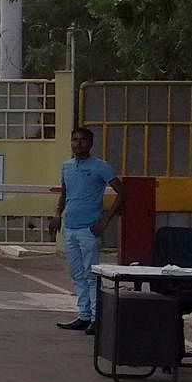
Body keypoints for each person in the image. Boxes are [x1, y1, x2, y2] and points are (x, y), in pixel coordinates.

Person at [48, 127, 125, 335]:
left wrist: (105, 221)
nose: (78, 143)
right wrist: (57, 214)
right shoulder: (66, 166)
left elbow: (122, 192)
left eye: (83, 140)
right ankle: (83, 315)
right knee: (76, 273)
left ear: (90, 143)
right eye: (74, 139)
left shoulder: (100, 166)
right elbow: (65, 192)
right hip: (70, 227)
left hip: (89, 229)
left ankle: (96, 318)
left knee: (92, 274)